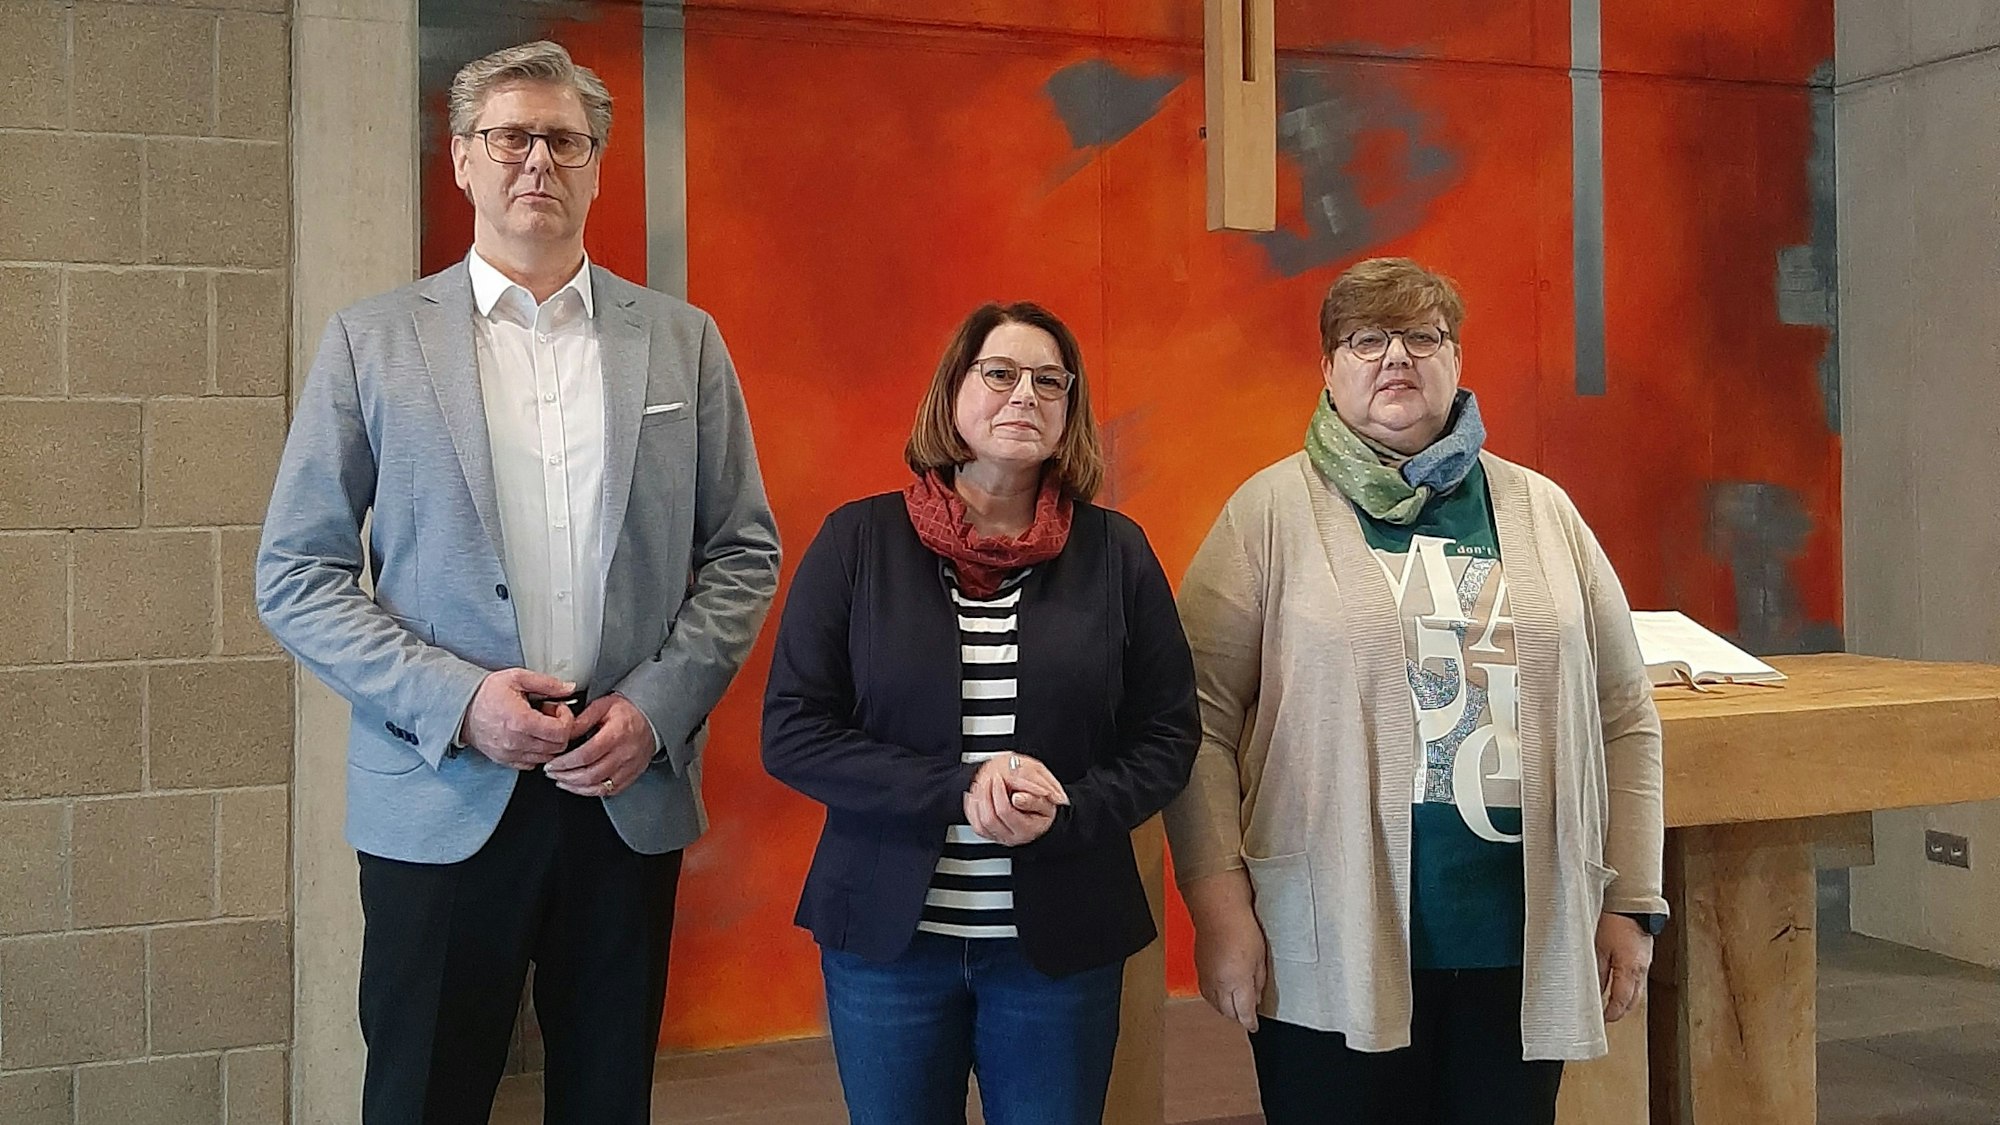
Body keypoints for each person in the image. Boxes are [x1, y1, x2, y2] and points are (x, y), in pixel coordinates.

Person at [256, 40, 780, 1125]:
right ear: (460, 160)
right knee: (423, 1098)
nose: (536, 160)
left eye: (564, 140)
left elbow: (743, 552)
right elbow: (296, 574)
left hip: (620, 788)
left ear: (594, 166)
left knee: (604, 1098)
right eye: (510, 137)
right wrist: (459, 702)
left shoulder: (681, 344)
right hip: (440, 792)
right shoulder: (373, 342)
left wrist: (656, 707)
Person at [1164, 258, 1667, 1125]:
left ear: (1456, 359)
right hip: (1331, 938)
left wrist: (1630, 901)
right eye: (1366, 340)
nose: (1396, 356)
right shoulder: (1270, 513)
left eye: (1422, 337)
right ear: (1328, 369)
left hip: (1522, 940)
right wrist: (1219, 909)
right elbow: (1196, 721)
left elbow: (1627, 718)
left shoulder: (1542, 510)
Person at [761, 301, 1200, 1125]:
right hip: (890, 946)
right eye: (999, 373)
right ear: (952, 394)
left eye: (1049, 381)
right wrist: (956, 787)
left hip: (1060, 952)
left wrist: (1072, 808)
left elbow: (1168, 735)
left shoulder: (1117, 553)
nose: (1023, 394)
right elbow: (793, 732)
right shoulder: (859, 542)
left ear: (1070, 410)